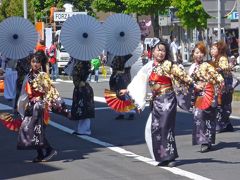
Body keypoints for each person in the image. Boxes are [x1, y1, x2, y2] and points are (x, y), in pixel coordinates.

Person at [120, 38, 193, 167]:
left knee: (165, 127)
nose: (161, 53)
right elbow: (139, 79)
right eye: (158, 50)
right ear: (152, 51)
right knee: (151, 128)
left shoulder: (169, 65)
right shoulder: (149, 66)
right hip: (156, 101)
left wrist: (194, 85)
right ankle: (159, 155)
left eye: (163, 51)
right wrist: (128, 89)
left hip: (168, 100)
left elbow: (182, 76)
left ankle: (169, 157)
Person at [17, 51, 69, 162]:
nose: (35, 64)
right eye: (33, 61)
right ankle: (40, 154)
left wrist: (46, 101)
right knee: (28, 129)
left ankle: (49, 150)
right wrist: (23, 105)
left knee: (37, 130)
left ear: (41, 64)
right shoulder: (29, 75)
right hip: (30, 106)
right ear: (30, 62)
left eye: (38, 62)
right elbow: (24, 92)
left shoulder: (43, 76)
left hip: (40, 106)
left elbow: (50, 91)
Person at [189, 42, 224, 153]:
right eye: (197, 52)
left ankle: (207, 141)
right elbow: (188, 81)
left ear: (204, 54)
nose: (199, 55)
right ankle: (203, 140)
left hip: (208, 93)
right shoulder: (192, 67)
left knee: (208, 117)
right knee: (198, 116)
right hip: (198, 94)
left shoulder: (207, 65)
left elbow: (216, 76)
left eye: (201, 53)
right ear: (193, 54)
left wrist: (220, 82)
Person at [210, 41, 235, 133]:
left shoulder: (222, 58)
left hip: (225, 85)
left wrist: (219, 68)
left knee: (222, 104)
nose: (211, 50)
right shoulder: (214, 59)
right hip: (220, 85)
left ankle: (220, 125)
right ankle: (227, 124)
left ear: (219, 50)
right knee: (222, 104)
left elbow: (224, 66)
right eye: (211, 48)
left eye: (213, 49)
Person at [70, 59, 95, 135]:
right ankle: (81, 129)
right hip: (83, 88)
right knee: (82, 109)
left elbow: (76, 76)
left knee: (83, 109)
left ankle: (83, 130)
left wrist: (79, 81)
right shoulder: (85, 63)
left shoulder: (82, 63)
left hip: (82, 88)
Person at [109, 54, 135, 120]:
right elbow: (113, 66)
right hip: (119, 76)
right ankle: (121, 112)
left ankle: (130, 111)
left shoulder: (128, 56)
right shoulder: (117, 55)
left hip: (124, 76)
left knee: (125, 94)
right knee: (118, 94)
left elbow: (127, 66)